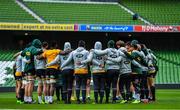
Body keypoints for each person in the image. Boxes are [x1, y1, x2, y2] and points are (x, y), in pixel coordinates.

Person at [21, 39, 43, 104]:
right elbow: (39, 51)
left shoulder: (26, 49)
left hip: (26, 68)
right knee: (31, 84)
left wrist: (25, 60)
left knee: (27, 84)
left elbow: (22, 54)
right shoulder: (33, 48)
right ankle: (30, 99)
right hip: (31, 68)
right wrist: (42, 49)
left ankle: (26, 98)